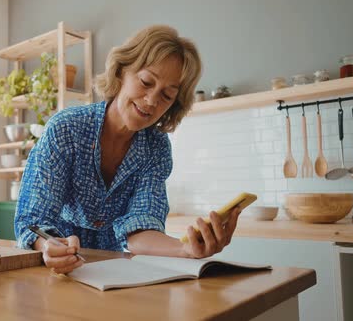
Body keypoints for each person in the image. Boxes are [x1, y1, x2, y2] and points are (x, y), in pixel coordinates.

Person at [14, 25, 242, 274]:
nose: (152, 100)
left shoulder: (156, 148)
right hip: (59, 267)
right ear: (122, 70)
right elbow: (32, 219)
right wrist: (48, 244)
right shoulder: (66, 129)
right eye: (146, 82)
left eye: (166, 96)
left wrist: (185, 249)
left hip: (120, 272)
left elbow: (140, 228)